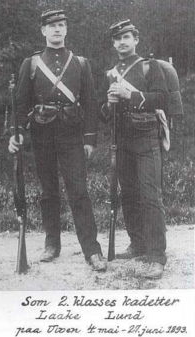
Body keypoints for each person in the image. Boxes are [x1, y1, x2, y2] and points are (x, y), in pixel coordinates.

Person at [8, 9, 107, 271]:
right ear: (43, 31)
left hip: (72, 134)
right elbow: (20, 102)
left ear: (66, 29)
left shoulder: (80, 63)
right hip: (42, 133)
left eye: (61, 25)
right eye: (51, 26)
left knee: (79, 191)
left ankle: (92, 250)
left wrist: (89, 138)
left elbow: (90, 101)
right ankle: (52, 244)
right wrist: (16, 132)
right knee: (48, 191)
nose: (57, 29)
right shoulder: (31, 63)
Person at [101, 19, 168, 279]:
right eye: (117, 39)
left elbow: (162, 98)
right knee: (128, 193)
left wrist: (133, 96)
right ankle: (138, 243)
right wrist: (109, 103)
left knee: (150, 196)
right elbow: (103, 113)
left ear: (136, 39)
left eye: (126, 37)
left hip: (147, 138)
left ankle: (157, 255)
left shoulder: (150, 67)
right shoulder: (110, 73)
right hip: (122, 141)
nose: (122, 42)